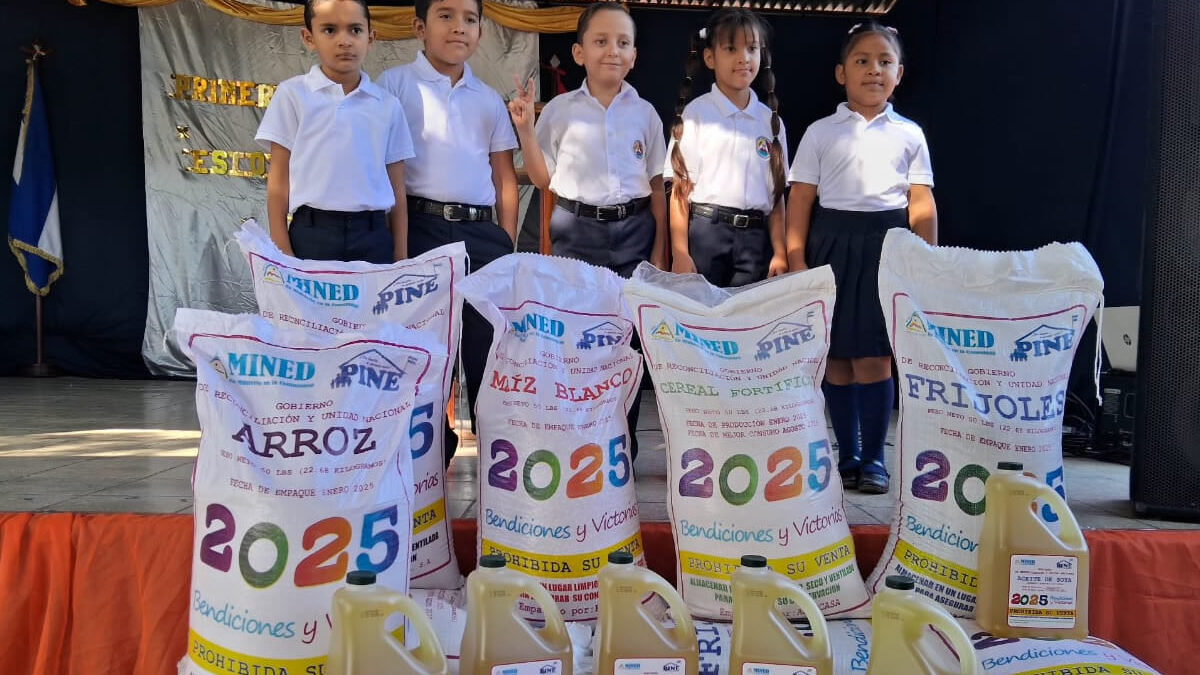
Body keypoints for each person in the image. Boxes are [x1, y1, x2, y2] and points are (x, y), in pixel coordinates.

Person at [508, 1, 666, 460]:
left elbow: (656, 187)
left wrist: (656, 251)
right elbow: (542, 178)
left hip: (634, 231)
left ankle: (622, 445)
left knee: (625, 344)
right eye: (600, 41)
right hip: (576, 232)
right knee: (577, 343)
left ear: (634, 55)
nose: (611, 51)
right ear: (579, 53)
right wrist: (525, 130)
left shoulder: (646, 114)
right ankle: (579, 443)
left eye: (622, 43)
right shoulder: (560, 110)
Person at [785, 21, 938, 494]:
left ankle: (873, 458)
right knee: (835, 358)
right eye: (862, 61)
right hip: (830, 246)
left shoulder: (909, 134)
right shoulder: (819, 132)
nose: (874, 70)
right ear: (840, 73)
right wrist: (795, 258)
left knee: (874, 358)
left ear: (899, 74)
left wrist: (926, 262)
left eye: (884, 62)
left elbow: (921, 203)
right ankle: (845, 452)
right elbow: (802, 200)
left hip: (886, 246)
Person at [379, 0, 520, 461]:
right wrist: (398, 248)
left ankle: (497, 456)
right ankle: (425, 453)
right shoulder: (394, 86)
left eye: (471, 19)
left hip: (482, 235)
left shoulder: (487, 98)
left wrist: (506, 244)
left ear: (480, 30)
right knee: (426, 346)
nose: (459, 27)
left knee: (486, 346)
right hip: (419, 227)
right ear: (420, 27)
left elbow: (504, 177)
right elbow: (385, 171)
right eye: (445, 16)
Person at [256, 0, 412, 264]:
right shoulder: (293, 95)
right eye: (329, 30)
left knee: (370, 307)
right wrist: (282, 251)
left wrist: (400, 255)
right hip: (312, 234)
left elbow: (397, 187)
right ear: (309, 37)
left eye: (355, 30)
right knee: (309, 307)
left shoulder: (387, 105)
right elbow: (279, 182)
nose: (345, 41)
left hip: (373, 236)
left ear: (371, 38)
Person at [665, 8, 788, 288]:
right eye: (731, 48)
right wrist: (680, 252)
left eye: (752, 48)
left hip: (755, 241)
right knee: (702, 321)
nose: (743, 58)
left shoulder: (771, 121)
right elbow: (680, 192)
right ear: (710, 57)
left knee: (746, 322)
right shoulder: (695, 115)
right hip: (706, 235)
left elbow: (777, 196)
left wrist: (780, 252)